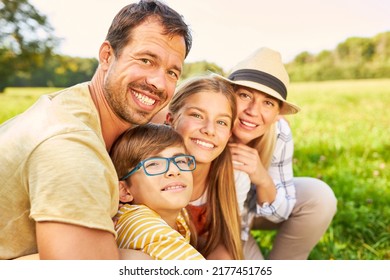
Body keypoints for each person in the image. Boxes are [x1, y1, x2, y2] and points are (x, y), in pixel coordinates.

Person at [0, 0, 192, 260]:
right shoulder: (71, 148)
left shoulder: (85, 104)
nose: (159, 83)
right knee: (141, 262)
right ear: (107, 56)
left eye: (172, 72)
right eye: (146, 60)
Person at [216, 47, 337, 259]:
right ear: (228, 95)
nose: (253, 111)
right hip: (210, 222)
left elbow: (280, 213)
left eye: (268, 103)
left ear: (276, 114)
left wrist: (262, 178)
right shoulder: (209, 125)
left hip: (249, 213)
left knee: (319, 196)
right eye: (245, 95)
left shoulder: (278, 132)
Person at [164, 75, 245, 259]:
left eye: (221, 122)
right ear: (170, 118)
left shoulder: (235, 175)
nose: (209, 129)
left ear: (230, 132)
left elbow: (226, 244)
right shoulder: (151, 172)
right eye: (197, 115)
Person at [109, 123, 204, 260]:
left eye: (181, 161)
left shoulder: (176, 212)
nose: (174, 170)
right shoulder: (140, 224)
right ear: (124, 191)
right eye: (153, 164)